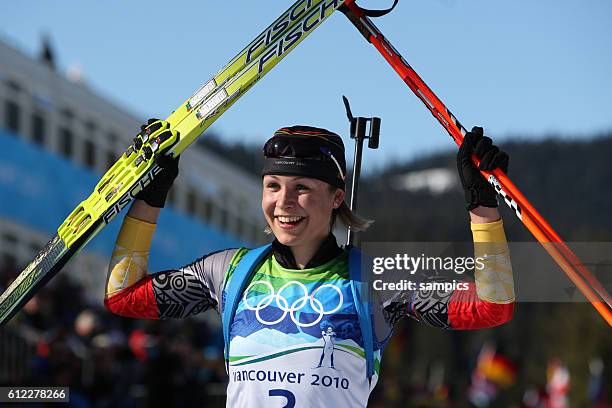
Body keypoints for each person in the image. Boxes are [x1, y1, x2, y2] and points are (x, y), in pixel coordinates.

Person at [104, 122, 515, 407]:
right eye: (273, 186)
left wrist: (482, 205)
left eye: (302, 188)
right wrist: (151, 196)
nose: (283, 202)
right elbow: (123, 297)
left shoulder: (376, 279)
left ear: (337, 198)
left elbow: (491, 307)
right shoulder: (229, 271)